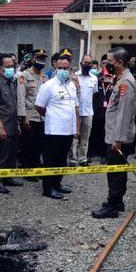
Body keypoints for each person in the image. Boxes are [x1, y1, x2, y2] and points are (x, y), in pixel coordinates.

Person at [91, 47, 136, 218]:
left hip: (118, 138)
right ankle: (117, 202)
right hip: (114, 135)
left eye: (109, 61)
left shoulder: (125, 83)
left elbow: (124, 114)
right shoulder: (120, 79)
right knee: (115, 171)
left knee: (116, 173)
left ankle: (112, 207)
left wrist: (118, 139)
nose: (106, 64)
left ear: (119, 62)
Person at [35, 50, 80, 200]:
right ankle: (48, 187)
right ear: (54, 67)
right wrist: (51, 116)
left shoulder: (72, 85)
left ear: (70, 68)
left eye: (65, 68)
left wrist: (76, 128)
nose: (62, 71)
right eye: (59, 68)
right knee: (51, 160)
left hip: (68, 130)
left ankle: (57, 182)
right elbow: (39, 106)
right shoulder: (48, 85)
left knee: (62, 159)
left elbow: (75, 106)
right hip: (53, 130)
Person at [0, 53, 22, 193]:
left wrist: (18, 125)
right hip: (2, 126)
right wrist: (1, 127)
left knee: (12, 153)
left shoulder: (11, 82)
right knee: (1, 154)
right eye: (7, 66)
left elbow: (13, 105)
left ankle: (8, 177)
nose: (11, 68)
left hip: (13, 125)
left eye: (12, 66)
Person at [17, 48, 48, 181]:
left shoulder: (44, 77)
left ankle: (35, 168)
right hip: (29, 116)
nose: (40, 61)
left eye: (43, 59)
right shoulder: (24, 76)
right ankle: (27, 171)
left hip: (42, 117)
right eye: (38, 58)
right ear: (32, 59)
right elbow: (21, 98)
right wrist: (23, 117)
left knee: (38, 145)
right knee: (28, 145)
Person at [70, 54, 97, 166]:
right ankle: (72, 159)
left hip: (88, 112)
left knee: (85, 136)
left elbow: (94, 95)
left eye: (90, 63)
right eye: (85, 62)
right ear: (81, 63)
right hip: (75, 112)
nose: (87, 64)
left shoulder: (94, 78)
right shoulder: (74, 76)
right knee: (74, 136)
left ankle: (82, 158)